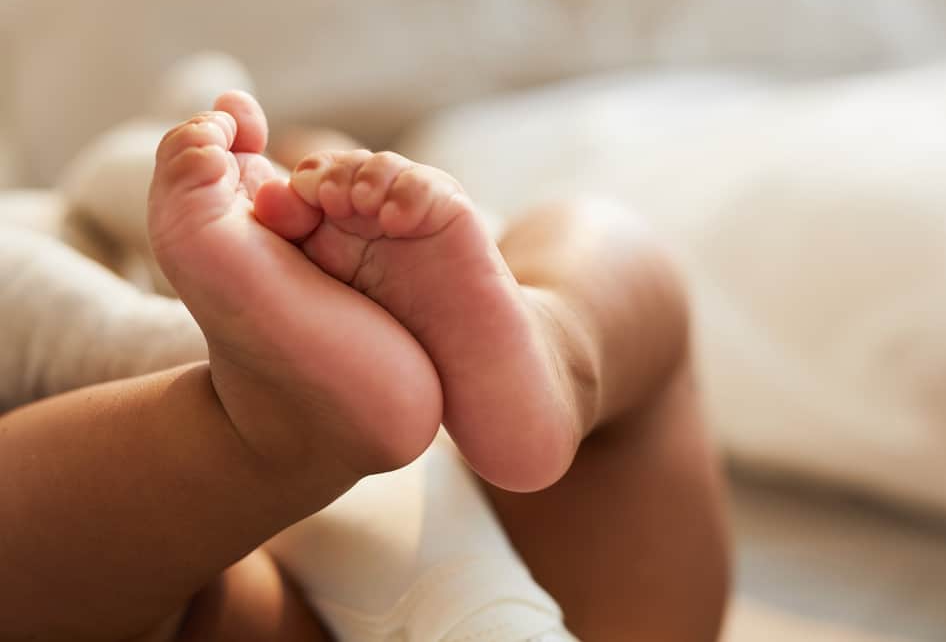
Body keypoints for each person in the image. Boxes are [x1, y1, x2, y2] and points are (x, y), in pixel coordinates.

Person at [0, 91, 729, 641]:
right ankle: (560, 348)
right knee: (615, 261)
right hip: (562, 556)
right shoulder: (425, 243)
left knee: (103, 552)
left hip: (247, 573)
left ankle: (260, 436)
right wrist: (319, 156)